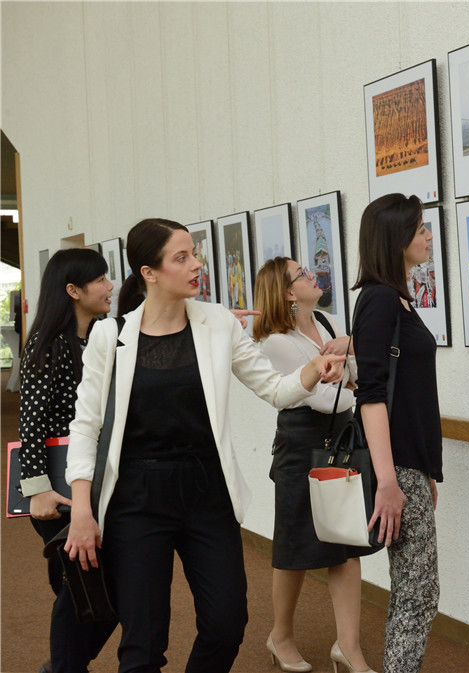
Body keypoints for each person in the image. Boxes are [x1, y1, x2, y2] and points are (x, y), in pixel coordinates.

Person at [64, 218, 346, 673]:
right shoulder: (110, 335)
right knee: (143, 643)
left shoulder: (218, 323)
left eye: (194, 253)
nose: (197, 264)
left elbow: (275, 389)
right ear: (149, 273)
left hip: (207, 492)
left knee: (226, 625)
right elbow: (85, 425)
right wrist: (82, 509)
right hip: (136, 497)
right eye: (182, 257)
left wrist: (316, 367)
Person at [252, 257, 377, 673]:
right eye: (302, 275)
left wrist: (344, 371)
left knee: (345, 544)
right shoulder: (275, 341)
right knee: (295, 547)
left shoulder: (325, 321)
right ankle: (280, 637)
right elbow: (324, 395)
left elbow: (354, 377)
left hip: (339, 438)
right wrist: (344, 375)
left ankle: (349, 647)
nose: (312, 275)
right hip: (300, 443)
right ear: (288, 293)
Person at [347, 194, 442, 673]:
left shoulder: (393, 296)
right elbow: (371, 396)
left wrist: (422, 473)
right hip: (395, 469)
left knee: (415, 593)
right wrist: (389, 480)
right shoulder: (382, 298)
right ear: (396, 238)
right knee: (418, 595)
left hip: (408, 467)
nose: (428, 236)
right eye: (421, 228)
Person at [18, 248, 118, 673]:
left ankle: (64, 665)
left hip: (93, 481)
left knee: (93, 584)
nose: (109, 285)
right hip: (57, 490)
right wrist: (37, 491)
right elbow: (31, 421)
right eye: (100, 279)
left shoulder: (96, 338)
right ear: (73, 290)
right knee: (81, 585)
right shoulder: (49, 344)